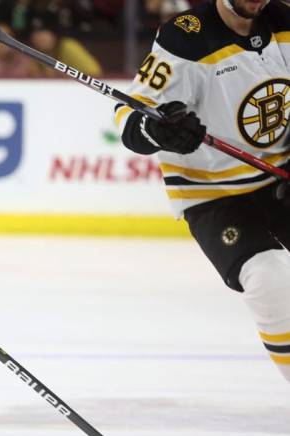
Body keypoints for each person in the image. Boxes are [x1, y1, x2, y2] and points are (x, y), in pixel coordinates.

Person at [115, 0, 290, 383]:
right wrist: (161, 131)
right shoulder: (187, 35)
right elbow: (131, 117)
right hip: (213, 194)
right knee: (269, 279)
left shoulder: (284, 22)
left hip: (279, 178)